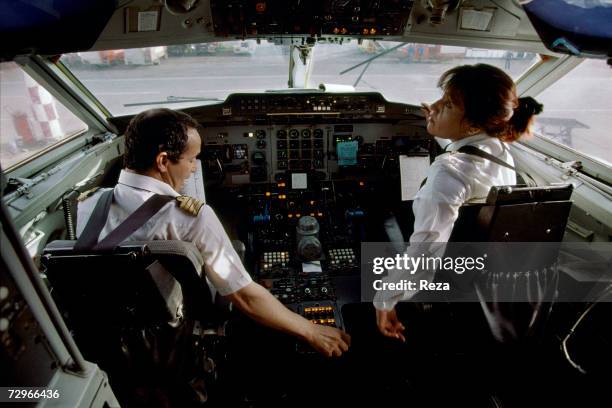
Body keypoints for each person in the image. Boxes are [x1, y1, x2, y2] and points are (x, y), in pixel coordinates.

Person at [77, 108, 351, 357]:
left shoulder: (86, 204)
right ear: (163, 161)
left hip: (103, 338)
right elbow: (244, 296)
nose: (194, 168)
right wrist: (310, 330)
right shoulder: (189, 216)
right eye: (192, 159)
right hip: (171, 334)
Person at [374, 64, 543, 341]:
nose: (436, 106)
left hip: (448, 276)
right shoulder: (497, 147)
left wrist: (384, 299)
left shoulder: (448, 172)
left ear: (474, 123)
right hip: (483, 276)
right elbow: (464, 147)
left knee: (383, 223)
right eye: (441, 98)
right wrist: (440, 121)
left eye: (448, 104)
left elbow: (424, 256)